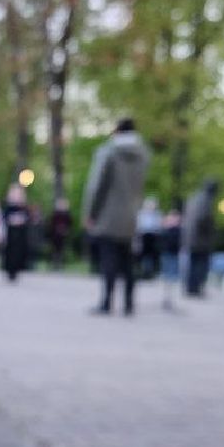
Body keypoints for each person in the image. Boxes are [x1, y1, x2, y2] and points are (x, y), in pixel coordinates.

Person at [81, 117, 151, 316]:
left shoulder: (109, 152)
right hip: (131, 216)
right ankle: (129, 304)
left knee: (108, 259)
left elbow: (97, 186)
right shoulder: (143, 155)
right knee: (128, 261)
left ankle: (106, 302)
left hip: (108, 215)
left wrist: (90, 213)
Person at [182, 178, 218, 297]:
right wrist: (211, 231)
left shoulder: (193, 198)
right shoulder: (206, 200)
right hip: (201, 238)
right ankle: (196, 289)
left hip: (190, 237)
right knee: (200, 264)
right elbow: (203, 219)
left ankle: (191, 288)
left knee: (193, 263)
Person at [2, 183, 32, 283]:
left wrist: (21, 220)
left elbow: (28, 218)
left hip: (20, 233)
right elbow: (4, 217)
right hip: (10, 232)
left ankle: (17, 269)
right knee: (10, 251)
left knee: (19, 251)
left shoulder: (24, 207)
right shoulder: (8, 206)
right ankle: (9, 270)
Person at [159, 201, 184, 310]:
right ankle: (167, 294)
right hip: (167, 253)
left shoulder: (178, 231)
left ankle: (170, 295)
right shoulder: (166, 230)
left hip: (173, 254)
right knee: (167, 274)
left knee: (172, 274)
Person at [136, 195, 162, 280]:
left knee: (151, 256)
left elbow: (159, 226)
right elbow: (139, 226)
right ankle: (143, 272)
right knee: (143, 255)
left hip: (153, 237)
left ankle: (149, 272)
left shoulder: (157, 214)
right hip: (143, 236)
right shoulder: (141, 214)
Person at [47, 198, 73, 270]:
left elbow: (70, 224)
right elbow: (51, 224)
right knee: (54, 250)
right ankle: (54, 264)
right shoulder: (55, 214)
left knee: (61, 250)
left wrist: (65, 230)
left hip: (63, 236)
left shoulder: (67, 214)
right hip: (55, 236)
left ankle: (60, 264)